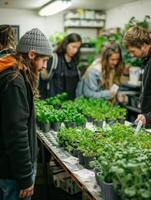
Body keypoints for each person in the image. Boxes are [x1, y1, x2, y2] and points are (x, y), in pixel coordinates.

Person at [0, 27, 52, 200]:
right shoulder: (15, 81)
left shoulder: (17, 73)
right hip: (13, 175)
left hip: (12, 170)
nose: (45, 66)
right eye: (44, 60)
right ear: (31, 54)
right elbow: (17, 133)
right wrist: (25, 177)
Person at [39, 33, 82, 100]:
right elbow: (44, 78)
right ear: (66, 44)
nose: (75, 50)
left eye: (78, 48)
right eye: (73, 47)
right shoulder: (54, 58)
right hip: (53, 103)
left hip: (71, 104)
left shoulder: (75, 61)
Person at [123, 25, 151, 125]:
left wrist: (148, 117)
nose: (132, 55)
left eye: (132, 51)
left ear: (143, 45)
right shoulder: (146, 60)